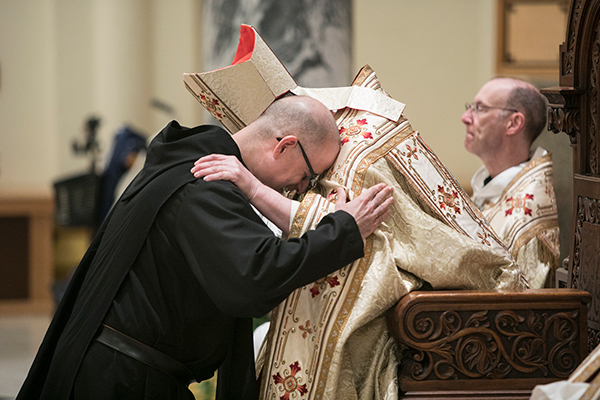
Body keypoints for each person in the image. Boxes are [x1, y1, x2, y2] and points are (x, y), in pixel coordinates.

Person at [16, 95, 395, 400]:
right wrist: (345, 228)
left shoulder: (187, 160)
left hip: (117, 368)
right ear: (285, 146)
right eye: (308, 176)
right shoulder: (204, 184)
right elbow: (255, 278)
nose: (301, 188)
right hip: (124, 380)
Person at [191, 61, 527, 399]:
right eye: (309, 180)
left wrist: (259, 191)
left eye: (312, 183)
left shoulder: (368, 167)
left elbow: (383, 246)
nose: (301, 188)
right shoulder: (339, 152)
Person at [462, 77, 560, 288]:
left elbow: (521, 306)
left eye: (480, 108)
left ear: (513, 123)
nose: (465, 117)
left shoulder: (526, 216)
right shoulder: (490, 191)